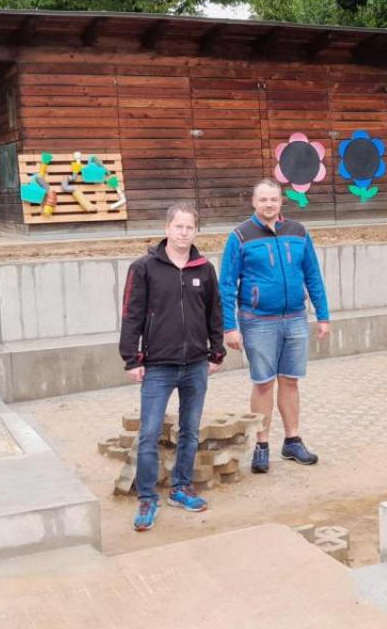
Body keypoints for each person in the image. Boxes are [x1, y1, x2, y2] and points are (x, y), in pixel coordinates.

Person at [119, 202, 226, 532]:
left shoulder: (204, 268)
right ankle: (148, 497)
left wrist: (216, 353)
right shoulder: (144, 268)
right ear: (167, 228)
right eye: (178, 226)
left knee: (190, 431)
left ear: (196, 231)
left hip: (195, 364)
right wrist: (131, 358)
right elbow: (131, 315)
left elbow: (214, 313)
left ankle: (181, 488)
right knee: (149, 433)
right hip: (158, 367)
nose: (183, 233)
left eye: (189, 227)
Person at [218, 179, 330, 474]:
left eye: (274, 199)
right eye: (263, 199)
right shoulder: (240, 236)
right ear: (254, 202)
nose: (269, 204)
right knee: (264, 383)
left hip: (294, 318)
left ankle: (292, 441)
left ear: (281, 202)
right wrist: (229, 326)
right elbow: (227, 284)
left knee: (291, 380)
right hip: (257, 322)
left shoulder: (298, 232)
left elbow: (313, 276)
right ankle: (262, 444)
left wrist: (323, 315)